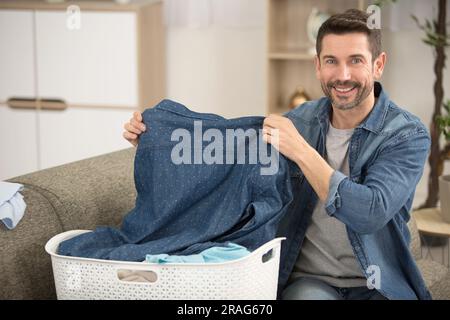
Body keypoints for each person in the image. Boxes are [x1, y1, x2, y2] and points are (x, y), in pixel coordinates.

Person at [122, 9, 431, 300]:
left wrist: (302, 152)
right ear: (318, 67)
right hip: (311, 282)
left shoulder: (406, 136)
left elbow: (370, 212)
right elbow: (226, 161)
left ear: (378, 65)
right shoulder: (300, 121)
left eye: (356, 60)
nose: (343, 75)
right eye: (332, 61)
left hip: (379, 283)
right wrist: (157, 147)